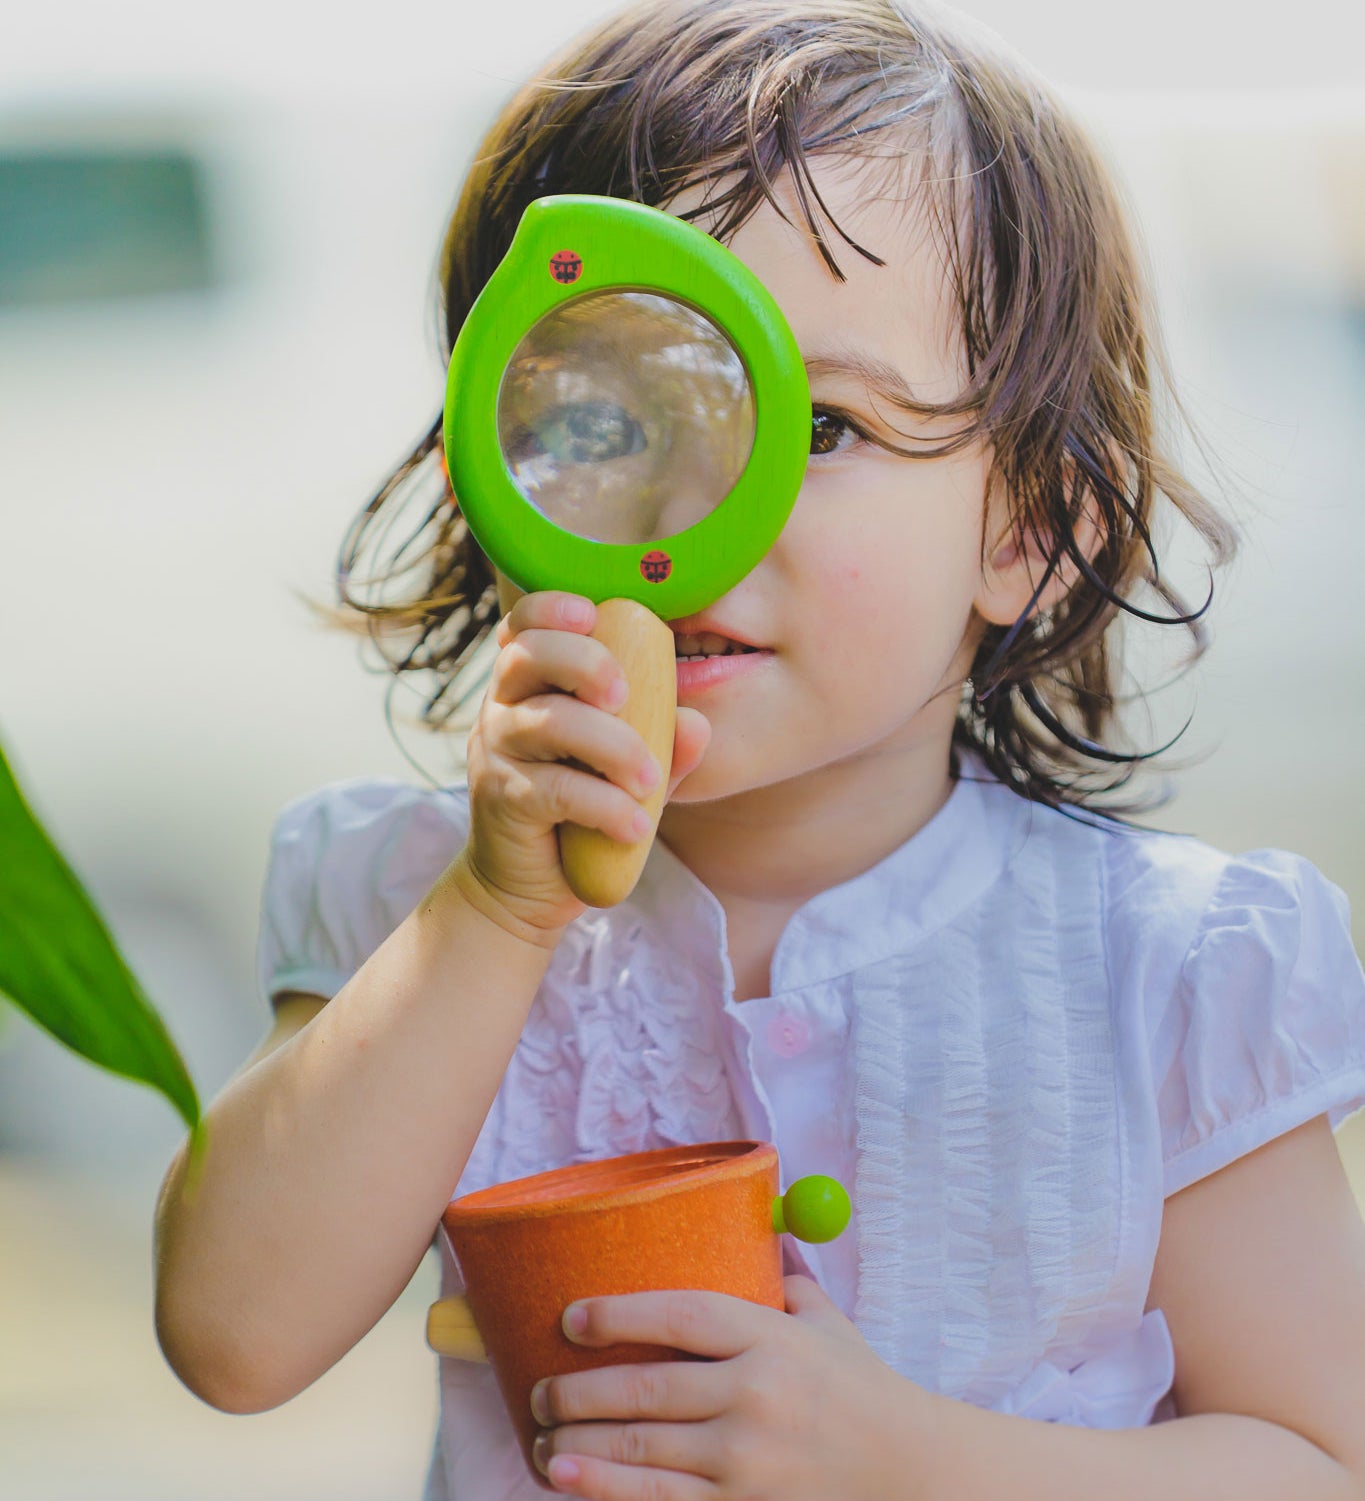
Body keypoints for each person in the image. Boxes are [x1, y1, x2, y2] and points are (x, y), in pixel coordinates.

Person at [152, 3, 1365, 1498]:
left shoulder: (1164, 978)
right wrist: (490, 916)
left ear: (1034, 528)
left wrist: (908, 1460)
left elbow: (1314, 1459)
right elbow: (233, 1338)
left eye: (826, 426)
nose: (693, 509)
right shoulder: (408, 904)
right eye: (602, 411)